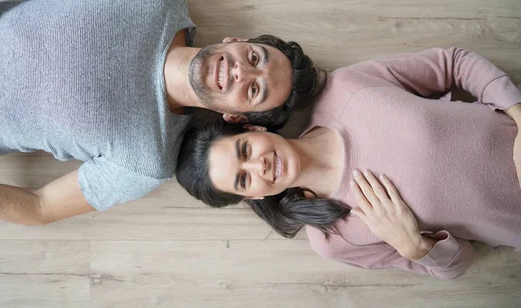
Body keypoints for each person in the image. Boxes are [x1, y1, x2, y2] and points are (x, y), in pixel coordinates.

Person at [0, 0, 322, 225]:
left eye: (253, 89)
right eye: (254, 57)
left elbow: (39, 206)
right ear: (238, 40)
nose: (240, 71)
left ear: (237, 117)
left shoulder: (146, 160)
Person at [175, 47, 521, 280]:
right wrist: (412, 245)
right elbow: (457, 265)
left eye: (246, 151)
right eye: (243, 180)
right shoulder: (334, 239)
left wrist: (517, 112)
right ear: (252, 197)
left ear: (252, 127)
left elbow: (454, 61)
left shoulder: (347, 89)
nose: (259, 166)